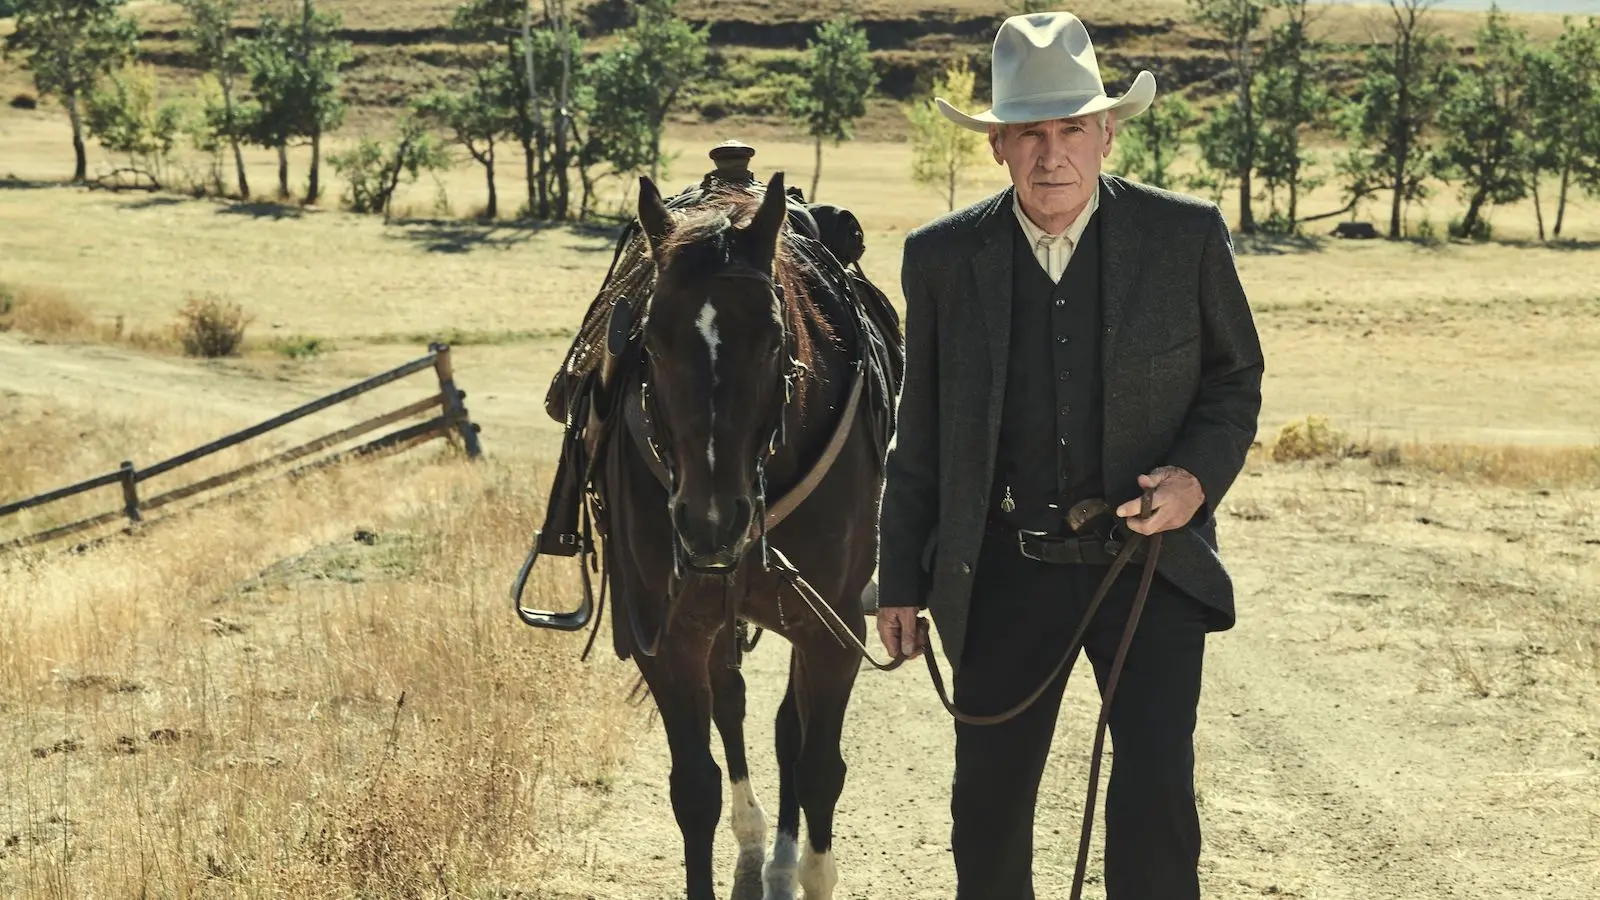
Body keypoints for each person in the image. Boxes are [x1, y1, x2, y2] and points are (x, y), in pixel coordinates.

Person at [874, 11, 1264, 900]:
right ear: (1000, 147)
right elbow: (920, 428)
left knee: (1158, 800)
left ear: (1107, 134)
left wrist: (1197, 478)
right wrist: (900, 577)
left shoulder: (1185, 236)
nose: (1054, 155)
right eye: (1032, 134)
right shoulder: (941, 258)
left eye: (1073, 130)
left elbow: (1234, 377)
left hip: (1150, 568)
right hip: (1006, 570)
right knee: (988, 812)